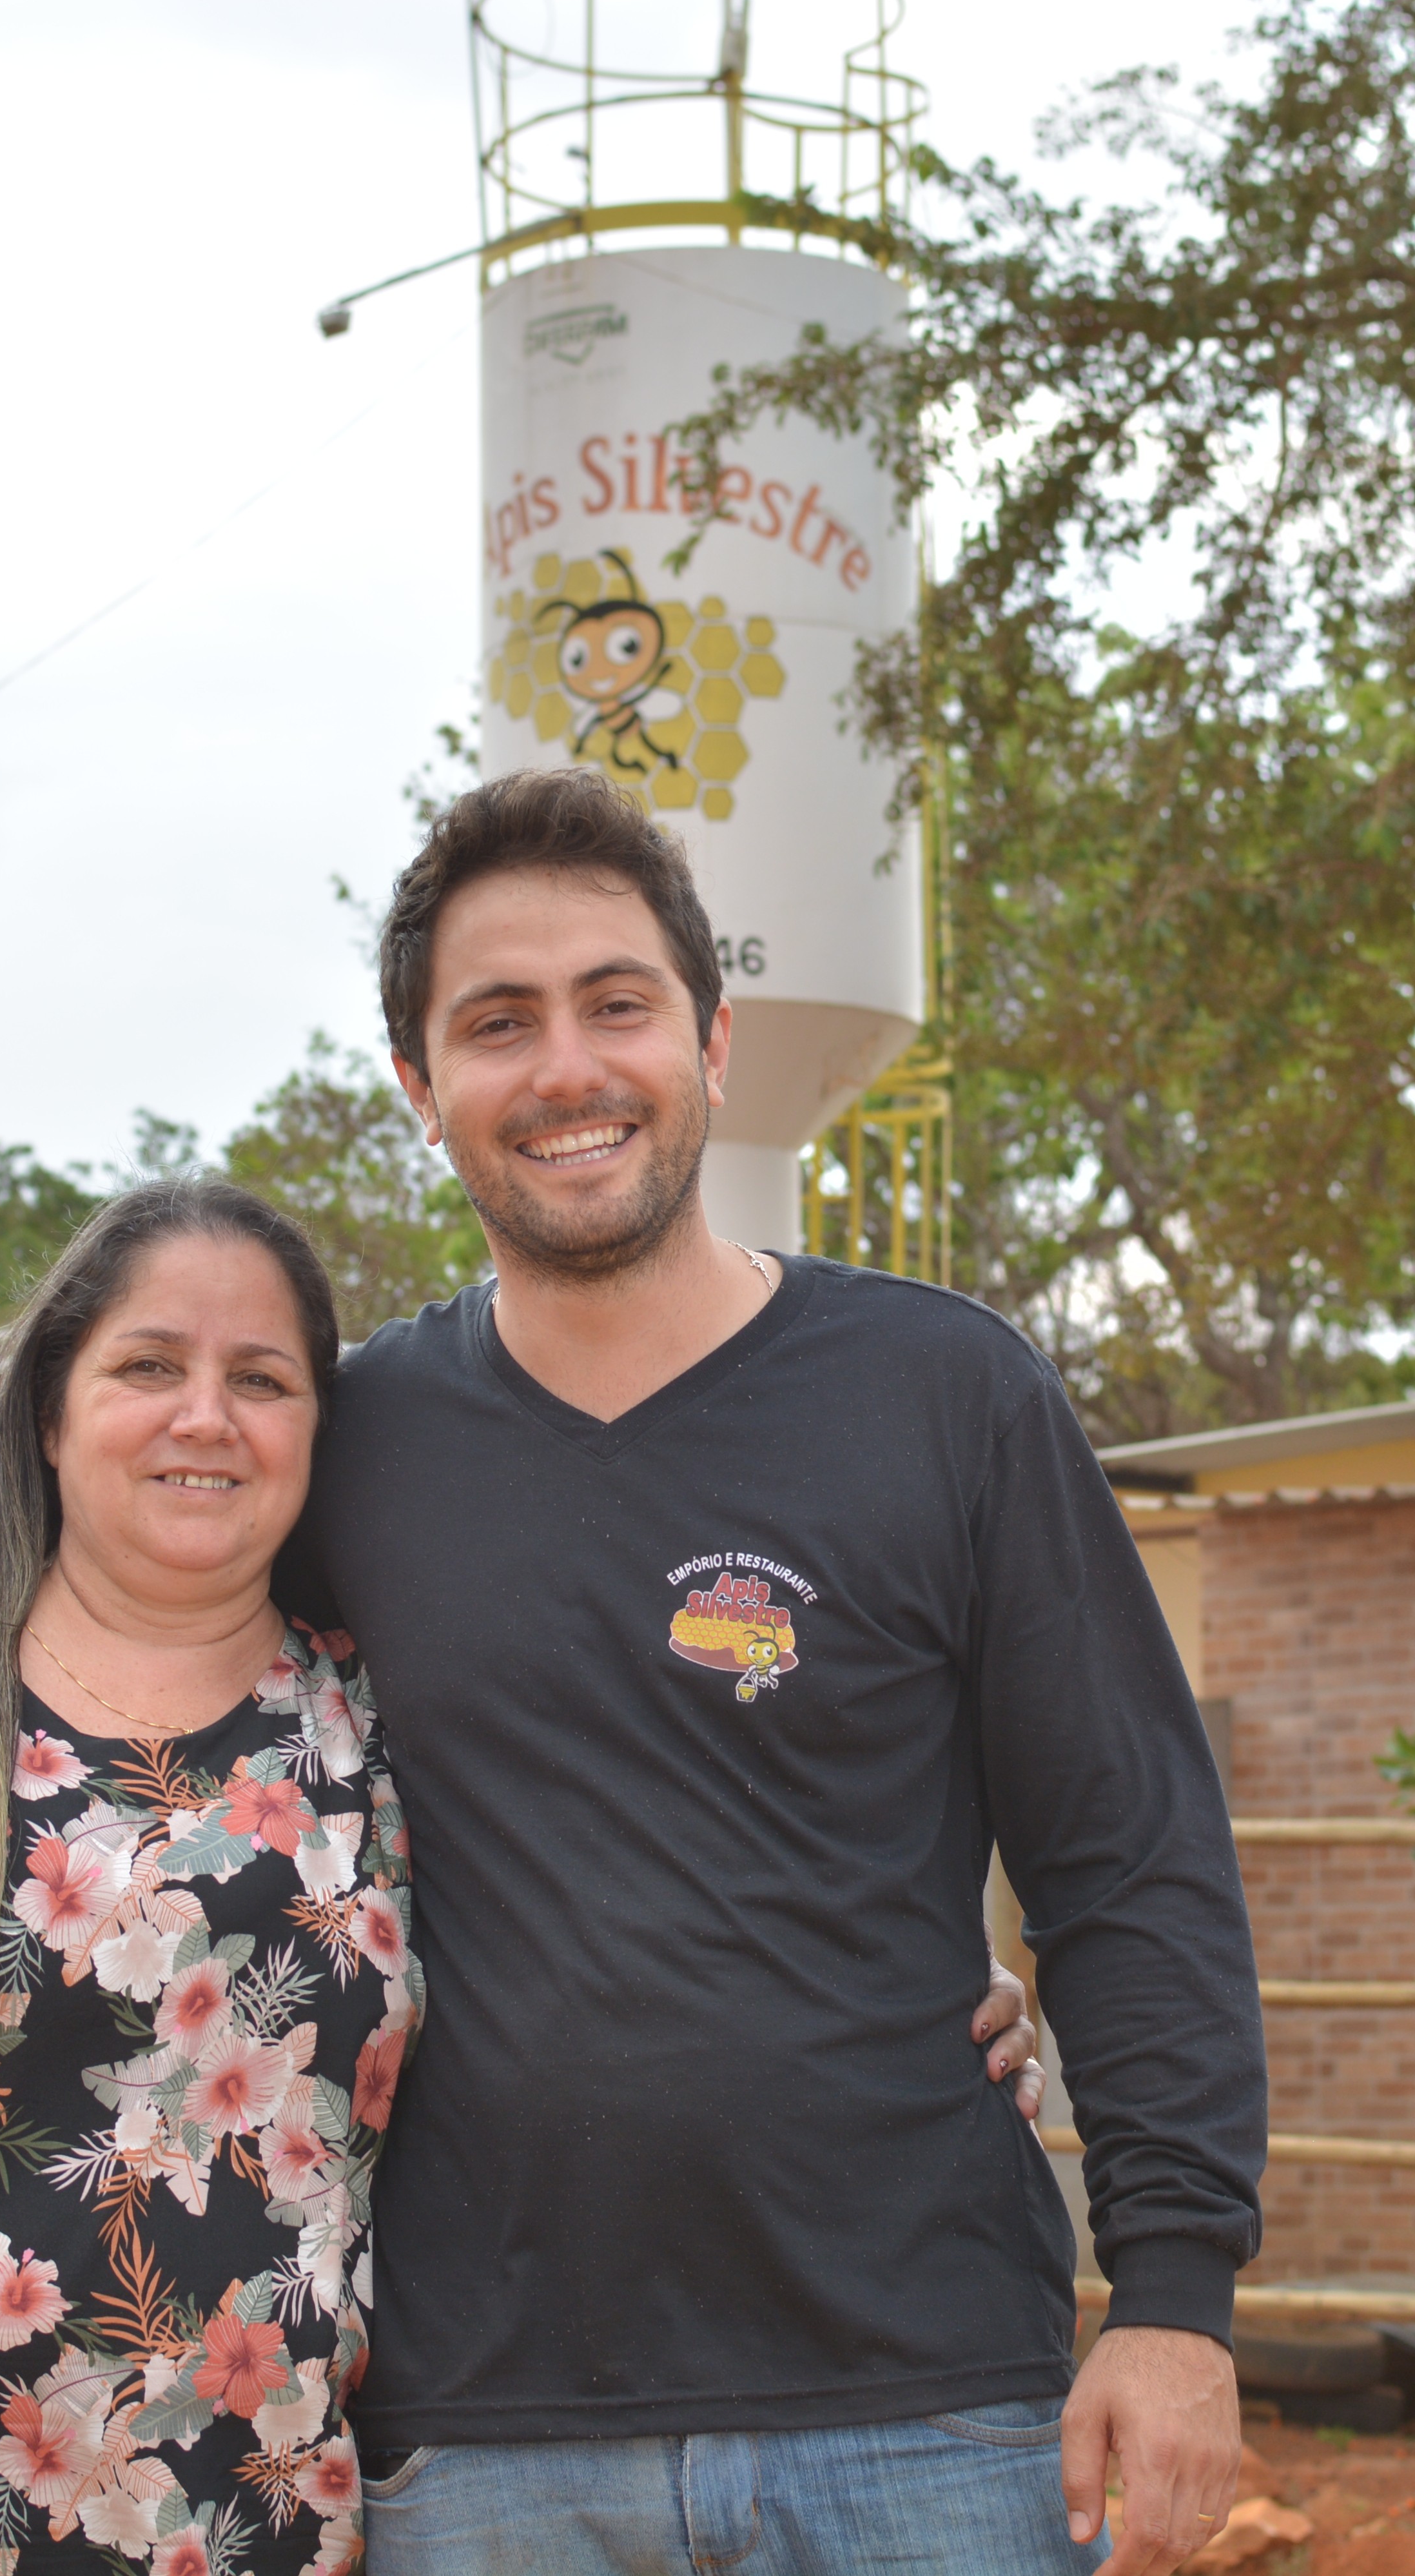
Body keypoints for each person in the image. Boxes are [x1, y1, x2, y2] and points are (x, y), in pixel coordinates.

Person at [0, 1175, 1048, 2575]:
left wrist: (894, 1965)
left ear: (318, 1434)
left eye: (263, 1379)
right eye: (149, 1365)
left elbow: (614, 1879)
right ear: (50, 1410)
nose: (205, 1415)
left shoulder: (385, 1721)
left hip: (259, 2528)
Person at [281, 765, 1267, 2576]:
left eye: (618, 1004)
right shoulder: (349, 1457)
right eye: (498, 1023)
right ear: (421, 1087)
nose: (566, 1067)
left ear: (714, 1042)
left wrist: (1176, 2294)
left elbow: (1128, 1860)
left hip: (932, 2418)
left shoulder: (948, 1397)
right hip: (488, 2441)